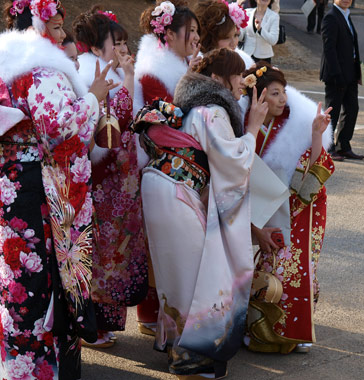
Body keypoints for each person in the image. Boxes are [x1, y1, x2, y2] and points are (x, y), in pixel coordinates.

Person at [0, 0, 116, 378]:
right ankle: (42, 369)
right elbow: (59, 130)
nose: (61, 36)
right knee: (40, 280)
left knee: (14, 279)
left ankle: (15, 367)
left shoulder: (0, 69)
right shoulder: (41, 71)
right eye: (56, 27)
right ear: (39, 25)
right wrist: (92, 98)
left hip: (5, 185)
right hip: (33, 189)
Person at [134, 48, 268, 379]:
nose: (240, 83)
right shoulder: (214, 111)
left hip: (161, 184)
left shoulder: (196, 108)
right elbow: (234, 161)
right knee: (196, 277)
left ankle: (177, 344)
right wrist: (252, 129)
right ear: (218, 79)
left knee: (175, 273)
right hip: (177, 190)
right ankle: (193, 354)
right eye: (236, 75)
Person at [241, 63, 334, 354]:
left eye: (284, 92)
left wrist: (317, 134)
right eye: (275, 93)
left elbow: (312, 169)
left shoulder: (294, 124)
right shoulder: (246, 128)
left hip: (300, 207)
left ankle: (298, 329)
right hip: (262, 210)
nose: (283, 99)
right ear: (258, 97)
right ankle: (263, 329)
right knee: (269, 268)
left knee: (300, 268)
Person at [73, 6, 148, 348]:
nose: (120, 48)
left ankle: (106, 322)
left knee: (117, 247)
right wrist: (129, 80)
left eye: (123, 42)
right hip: (105, 180)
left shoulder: (108, 72)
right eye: (114, 42)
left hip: (120, 181)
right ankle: (96, 324)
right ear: (96, 45)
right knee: (105, 251)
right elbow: (113, 124)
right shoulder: (93, 74)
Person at [133, 0, 202, 336]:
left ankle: (160, 314)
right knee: (160, 244)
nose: (196, 37)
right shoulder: (153, 71)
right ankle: (154, 314)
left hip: (176, 164)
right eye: (191, 32)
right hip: (161, 164)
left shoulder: (177, 65)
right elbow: (169, 116)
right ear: (170, 34)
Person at [320, 0, 364, 160]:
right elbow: (328, 48)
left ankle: (344, 146)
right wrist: (336, 74)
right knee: (333, 111)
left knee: (352, 109)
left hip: (350, 72)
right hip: (336, 74)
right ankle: (328, 147)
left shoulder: (346, 15)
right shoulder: (331, 17)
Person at [194, 0, 255, 68]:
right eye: (226, 38)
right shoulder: (198, 64)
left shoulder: (245, 63)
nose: (233, 43)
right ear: (210, 39)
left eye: (235, 35)